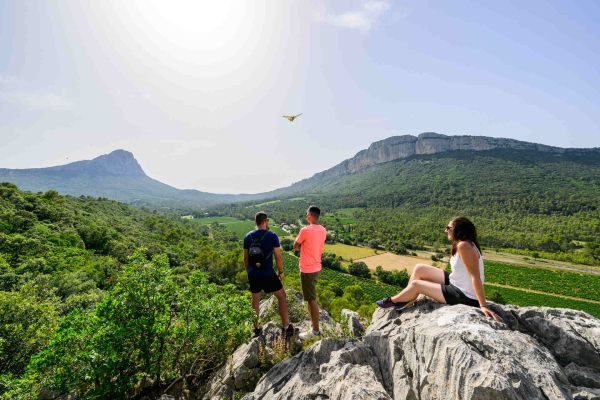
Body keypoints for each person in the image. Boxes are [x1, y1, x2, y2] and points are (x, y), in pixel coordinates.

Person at [376, 216, 500, 321]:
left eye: (448, 228)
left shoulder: (464, 246)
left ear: (457, 230)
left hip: (465, 295)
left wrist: (482, 305)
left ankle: (393, 301)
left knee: (416, 284)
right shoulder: (465, 243)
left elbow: (475, 277)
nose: (446, 231)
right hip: (457, 283)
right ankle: (407, 298)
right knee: (419, 268)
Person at [243, 211, 294, 338]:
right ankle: (286, 327)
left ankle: (256, 329)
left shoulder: (247, 237)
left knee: (255, 300)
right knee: (281, 296)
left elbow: (245, 258)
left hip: (253, 274)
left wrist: (248, 272)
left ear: (255, 222)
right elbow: (278, 257)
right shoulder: (272, 236)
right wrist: (280, 272)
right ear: (266, 221)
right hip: (268, 274)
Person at [294, 206, 327, 339]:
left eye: (306, 213)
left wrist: (303, 245)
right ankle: (314, 328)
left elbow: (295, 246)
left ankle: (315, 332)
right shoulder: (323, 230)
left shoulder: (305, 230)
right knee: (309, 299)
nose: (306, 215)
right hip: (317, 268)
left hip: (307, 270)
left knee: (312, 300)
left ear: (310, 215)